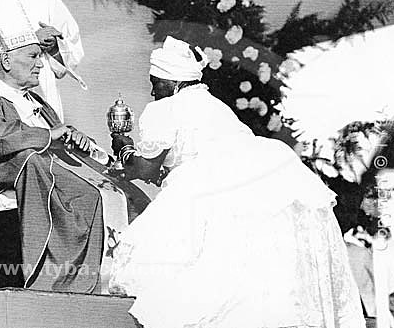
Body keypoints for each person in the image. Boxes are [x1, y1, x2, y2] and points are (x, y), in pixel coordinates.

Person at [108, 36, 365, 328]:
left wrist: (124, 146)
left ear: (173, 82)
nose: (153, 89)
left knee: (188, 285)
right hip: (268, 180)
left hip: (217, 192)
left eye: (155, 81)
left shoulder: (165, 108)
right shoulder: (216, 106)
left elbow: (145, 167)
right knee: (259, 288)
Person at [0, 0, 128, 293]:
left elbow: (54, 142)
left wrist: (72, 140)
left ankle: (82, 291)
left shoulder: (32, 99)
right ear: (5, 59)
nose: (40, 65)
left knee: (102, 193)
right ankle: (53, 287)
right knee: (69, 187)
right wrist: (50, 135)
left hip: (38, 177)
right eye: (33, 56)